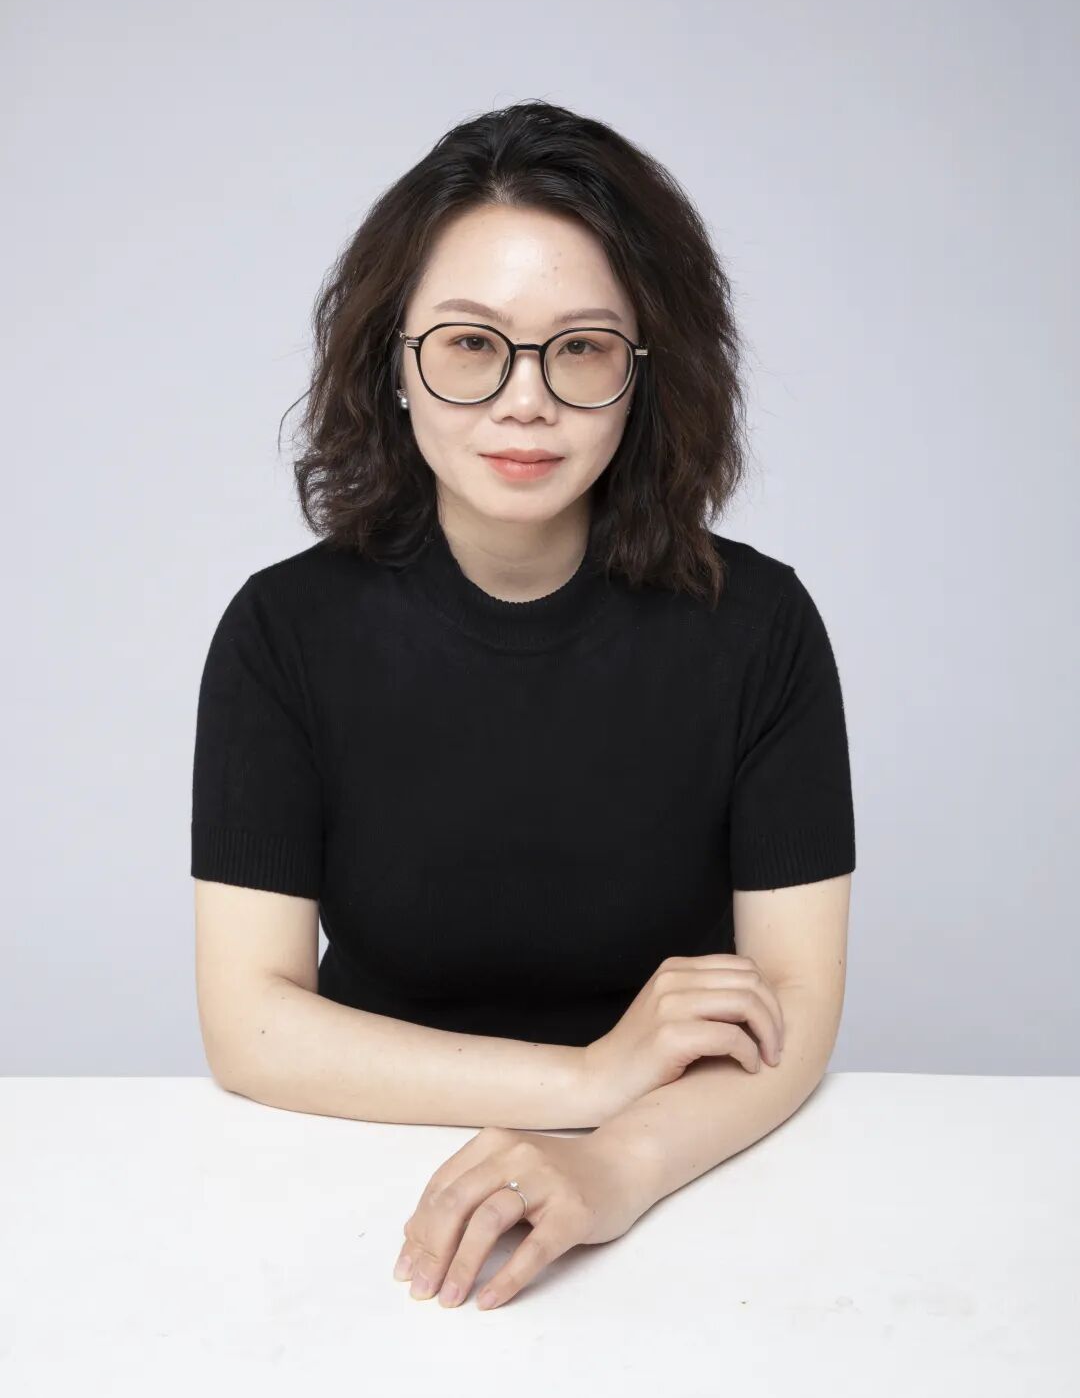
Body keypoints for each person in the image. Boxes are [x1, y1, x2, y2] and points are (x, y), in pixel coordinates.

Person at [189, 99, 855, 1133]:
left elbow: (792, 1014)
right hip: (356, 1150)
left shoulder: (760, 626)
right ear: (393, 363)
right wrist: (584, 1083)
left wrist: (610, 1167)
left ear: (645, 373)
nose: (525, 399)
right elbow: (249, 1028)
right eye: (470, 343)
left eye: (581, 347)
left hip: (680, 1155)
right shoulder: (282, 632)